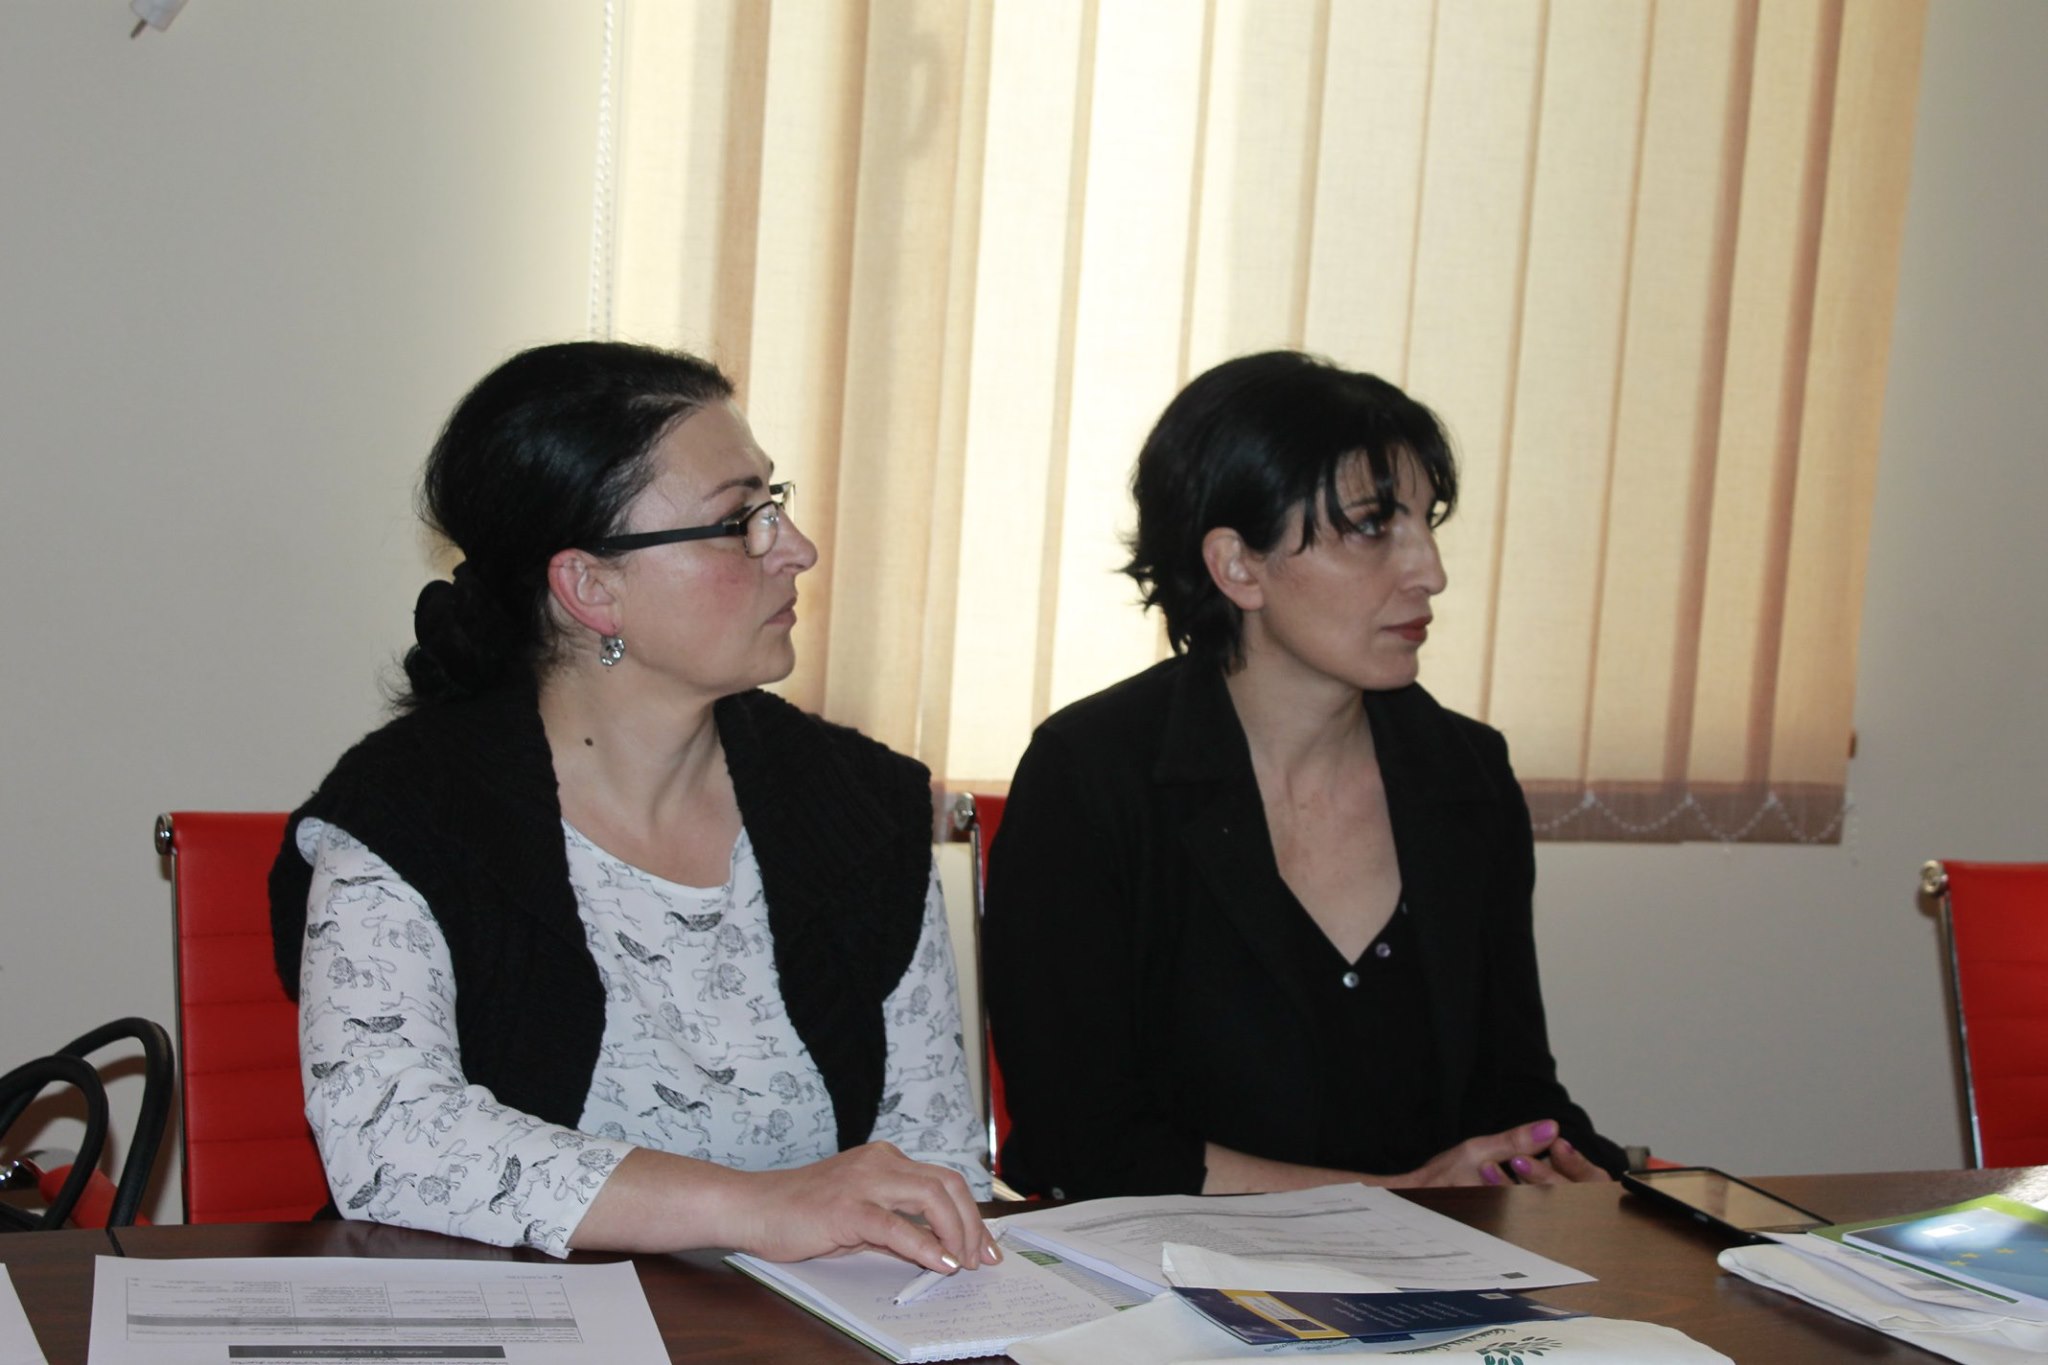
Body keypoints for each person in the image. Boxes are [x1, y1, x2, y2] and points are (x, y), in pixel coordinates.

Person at [269, 341, 996, 1275]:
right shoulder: (412, 812)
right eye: (741, 521)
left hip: (789, 1330)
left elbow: (932, 1156)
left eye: (776, 503)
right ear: (590, 587)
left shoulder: (861, 807)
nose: (796, 549)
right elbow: (391, 1140)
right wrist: (755, 1207)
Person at [982, 350, 1626, 1201]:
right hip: (1165, 1263)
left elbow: (1511, 1089)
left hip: (1439, 1262)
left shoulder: (1463, 772)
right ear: (1237, 565)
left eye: (1427, 522)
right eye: (1372, 527)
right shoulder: (1092, 774)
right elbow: (1083, 1140)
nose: (1431, 571)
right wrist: (1393, 1200)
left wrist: (1596, 1179)